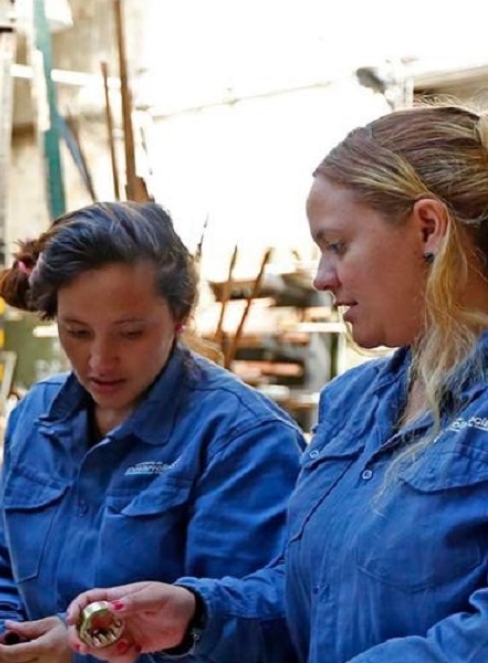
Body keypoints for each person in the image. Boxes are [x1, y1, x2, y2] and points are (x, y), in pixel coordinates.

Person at [65, 103, 488, 663]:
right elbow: (312, 594)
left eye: (337, 245)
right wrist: (198, 614)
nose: (321, 277)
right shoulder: (354, 403)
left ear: (427, 228)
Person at [0, 201, 305, 663]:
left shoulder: (243, 439)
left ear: (179, 316)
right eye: (77, 332)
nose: (100, 361)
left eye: (131, 333)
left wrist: (82, 652)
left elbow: (252, 634)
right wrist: (5, 640)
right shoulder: (36, 415)